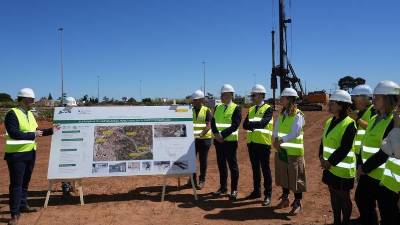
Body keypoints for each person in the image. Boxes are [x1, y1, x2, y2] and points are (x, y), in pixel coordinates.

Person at [4, 88, 57, 225]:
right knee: (16, 185)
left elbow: (36, 131)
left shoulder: (30, 114)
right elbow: (14, 133)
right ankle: (14, 214)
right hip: (16, 155)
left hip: (30, 153)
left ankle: (23, 205)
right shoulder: (12, 114)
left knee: (25, 183)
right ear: (22, 99)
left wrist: (52, 130)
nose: (33, 102)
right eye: (31, 99)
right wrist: (33, 135)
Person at [355, 80, 399, 225]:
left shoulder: (395, 122)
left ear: (387, 99)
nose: (373, 99)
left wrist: (363, 168)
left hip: (384, 178)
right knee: (362, 201)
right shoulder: (374, 118)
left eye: (377, 97)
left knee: (388, 213)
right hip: (368, 173)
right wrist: (361, 165)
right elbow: (364, 145)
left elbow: (385, 152)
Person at [319, 90, 357, 225]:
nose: (329, 105)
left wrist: (329, 162)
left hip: (342, 169)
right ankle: (336, 221)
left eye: (332, 103)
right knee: (333, 195)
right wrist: (321, 158)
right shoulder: (329, 121)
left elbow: (345, 148)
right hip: (329, 167)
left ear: (341, 105)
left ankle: (345, 222)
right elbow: (323, 141)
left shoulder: (349, 124)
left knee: (344, 198)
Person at [273, 88, 306, 215]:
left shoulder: (298, 114)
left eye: (283, 98)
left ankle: (297, 202)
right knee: (284, 176)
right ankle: (285, 198)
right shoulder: (282, 114)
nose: (280, 100)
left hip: (294, 153)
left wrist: (281, 140)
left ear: (290, 99)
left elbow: (296, 131)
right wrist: (276, 139)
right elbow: (276, 128)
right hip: (282, 151)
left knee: (296, 178)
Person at [243, 84, 274, 206]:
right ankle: (257, 191)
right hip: (252, 144)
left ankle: (268, 194)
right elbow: (244, 125)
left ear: (261, 95)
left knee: (265, 169)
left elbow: (263, 123)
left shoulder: (268, 108)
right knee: (255, 169)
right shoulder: (251, 109)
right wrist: (253, 124)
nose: (252, 97)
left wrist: (252, 125)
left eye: (254, 95)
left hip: (263, 143)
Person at [211, 84, 241, 200]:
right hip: (218, 142)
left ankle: (234, 190)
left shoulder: (236, 108)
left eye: (224, 94)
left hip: (230, 142)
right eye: (221, 94)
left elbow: (235, 125)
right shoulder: (218, 107)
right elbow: (213, 122)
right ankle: (223, 187)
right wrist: (216, 134)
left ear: (231, 95)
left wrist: (222, 135)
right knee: (221, 165)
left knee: (232, 166)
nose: (222, 96)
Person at [347, 84, 376, 165]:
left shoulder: (374, 110)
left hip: (369, 155)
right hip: (358, 153)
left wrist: (357, 119)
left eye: (354, 97)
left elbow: (374, 128)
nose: (352, 99)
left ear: (364, 98)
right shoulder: (358, 112)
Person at [190, 90, 213, 189]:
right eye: (193, 100)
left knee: (203, 160)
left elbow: (208, 125)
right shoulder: (190, 110)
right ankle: (192, 180)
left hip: (204, 140)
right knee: (191, 160)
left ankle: (202, 180)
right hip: (192, 141)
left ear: (201, 100)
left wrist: (201, 134)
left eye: (195, 100)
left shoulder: (206, 110)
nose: (193, 102)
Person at [61, 97, 77, 195]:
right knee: (65, 166)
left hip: (73, 143)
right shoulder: (62, 115)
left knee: (72, 166)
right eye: (71, 107)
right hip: (65, 145)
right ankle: (66, 187)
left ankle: (69, 185)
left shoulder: (73, 114)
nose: (73, 108)